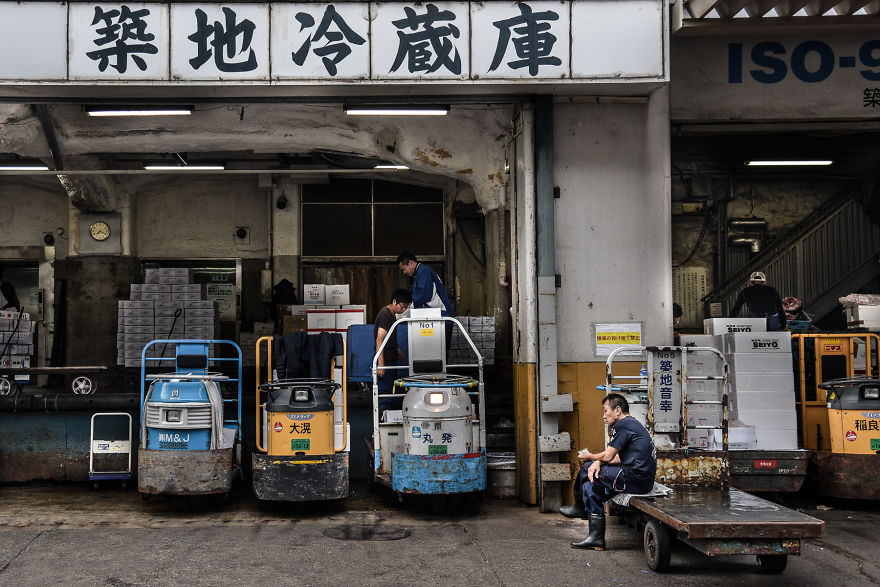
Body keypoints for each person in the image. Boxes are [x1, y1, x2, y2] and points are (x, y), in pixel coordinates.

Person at [559, 393, 657, 550]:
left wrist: (590, 457)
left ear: (617, 410)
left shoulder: (623, 425)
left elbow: (608, 455)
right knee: (589, 488)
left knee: (586, 467)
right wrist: (598, 461)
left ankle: (579, 507)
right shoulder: (633, 424)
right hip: (640, 480)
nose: (603, 416)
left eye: (605, 411)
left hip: (634, 478)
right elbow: (617, 458)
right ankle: (596, 539)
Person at [397, 252, 454, 346]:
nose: (404, 272)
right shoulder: (420, 273)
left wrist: (408, 304)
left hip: (442, 318)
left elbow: (425, 295)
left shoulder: (423, 272)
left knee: (440, 354)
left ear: (410, 263)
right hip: (436, 319)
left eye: (404, 269)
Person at [374, 289, 411, 397]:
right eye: (402, 306)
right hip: (386, 359)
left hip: (391, 356)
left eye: (406, 307)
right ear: (394, 302)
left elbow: (389, 337)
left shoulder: (391, 314)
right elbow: (379, 340)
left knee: (390, 389)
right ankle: (382, 412)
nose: (403, 310)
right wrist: (381, 364)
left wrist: (398, 350)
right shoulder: (386, 315)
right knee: (385, 392)